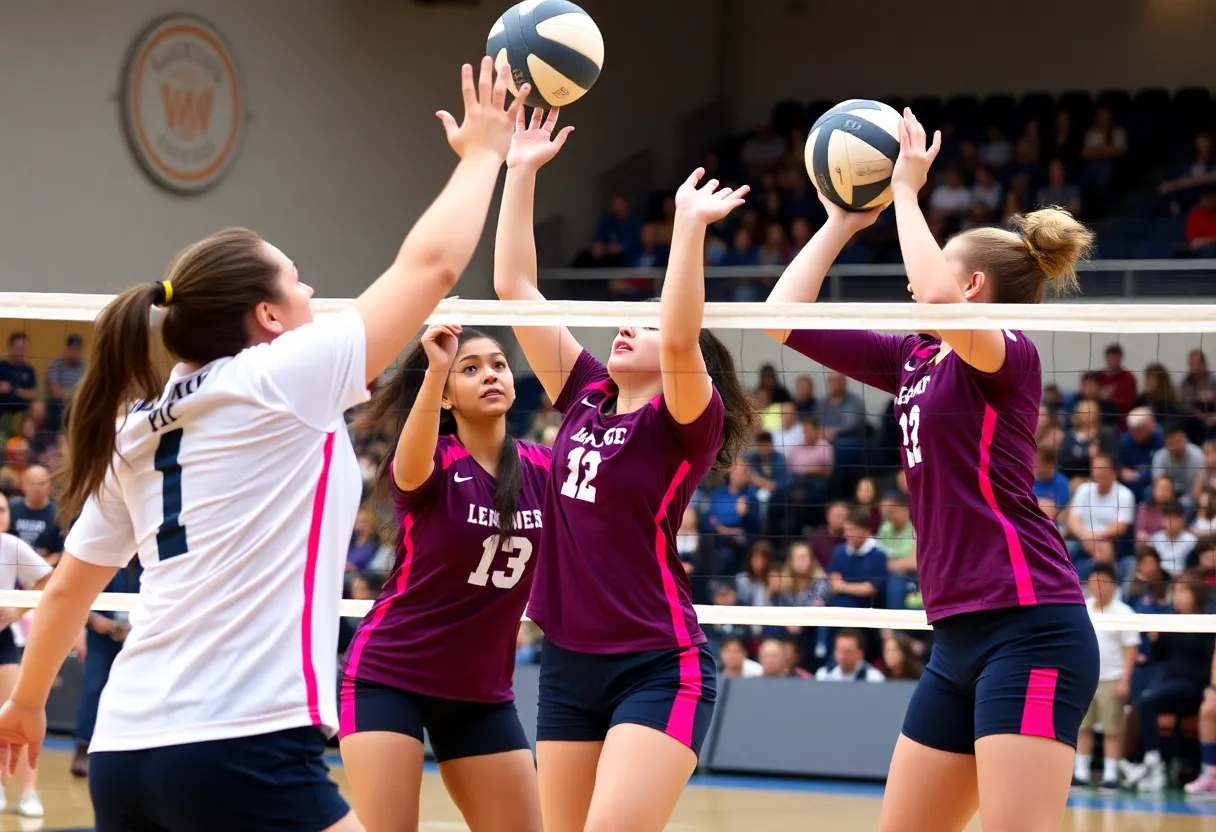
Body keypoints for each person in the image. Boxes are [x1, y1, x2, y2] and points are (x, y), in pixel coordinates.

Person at [0, 57, 528, 832]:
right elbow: (432, 266)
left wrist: (25, 703)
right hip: (238, 743)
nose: (314, 294)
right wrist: (484, 154)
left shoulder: (136, 426)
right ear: (268, 319)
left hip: (123, 751)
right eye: (299, 281)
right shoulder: (280, 376)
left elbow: (72, 588)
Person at [764, 108, 1099, 832]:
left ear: (974, 285)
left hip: (1031, 626)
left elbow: (942, 304)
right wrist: (844, 223)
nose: (914, 285)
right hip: (955, 637)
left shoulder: (1009, 353)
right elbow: (780, 318)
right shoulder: (913, 358)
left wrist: (909, 194)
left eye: (936, 269)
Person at [493, 108, 756, 832]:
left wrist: (687, 226)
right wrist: (517, 173)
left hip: (658, 662)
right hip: (568, 663)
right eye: (624, 316)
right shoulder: (583, 396)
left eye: (642, 320)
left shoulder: (680, 423)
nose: (624, 324)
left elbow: (678, 330)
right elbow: (516, 287)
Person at [339, 323, 551, 832]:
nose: (490, 376)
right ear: (447, 396)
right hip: (390, 676)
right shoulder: (431, 462)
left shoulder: (545, 468)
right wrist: (437, 367)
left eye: (499, 365)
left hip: (481, 693)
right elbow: (411, 462)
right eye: (471, 369)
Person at [1073, 563, 1138, 791]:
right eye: (1093, 581)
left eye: (1102, 581)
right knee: (1082, 728)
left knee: (1112, 729)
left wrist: (1125, 680)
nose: (1097, 586)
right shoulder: (1081, 607)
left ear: (1113, 584)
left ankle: (1110, 775)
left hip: (1112, 678)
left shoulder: (1124, 613)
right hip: (1084, 678)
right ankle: (1081, 773)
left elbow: (1131, 649)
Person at [0, 532, 51, 816]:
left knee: (12, 719)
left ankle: (29, 793)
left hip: (2, 639)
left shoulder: (11, 546)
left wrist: (19, 610)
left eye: (3, 509)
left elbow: (49, 579)